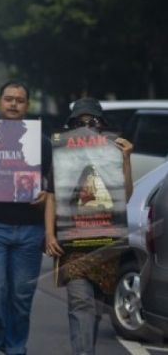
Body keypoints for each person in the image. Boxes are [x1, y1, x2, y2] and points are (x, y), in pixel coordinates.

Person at [45, 97, 133, 355]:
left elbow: (125, 196)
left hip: (106, 243)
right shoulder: (63, 153)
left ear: (101, 124)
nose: (86, 126)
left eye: (91, 121)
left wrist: (126, 160)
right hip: (74, 244)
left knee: (94, 309)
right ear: (71, 126)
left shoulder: (114, 150)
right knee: (80, 301)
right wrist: (50, 234)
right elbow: (51, 195)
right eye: (80, 122)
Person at [0, 81, 54, 355]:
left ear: (27, 106)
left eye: (20, 100)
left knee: (21, 295)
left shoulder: (41, 142)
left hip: (29, 230)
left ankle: (16, 346)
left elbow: (53, 185)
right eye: (9, 99)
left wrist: (45, 193)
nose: (14, 104)